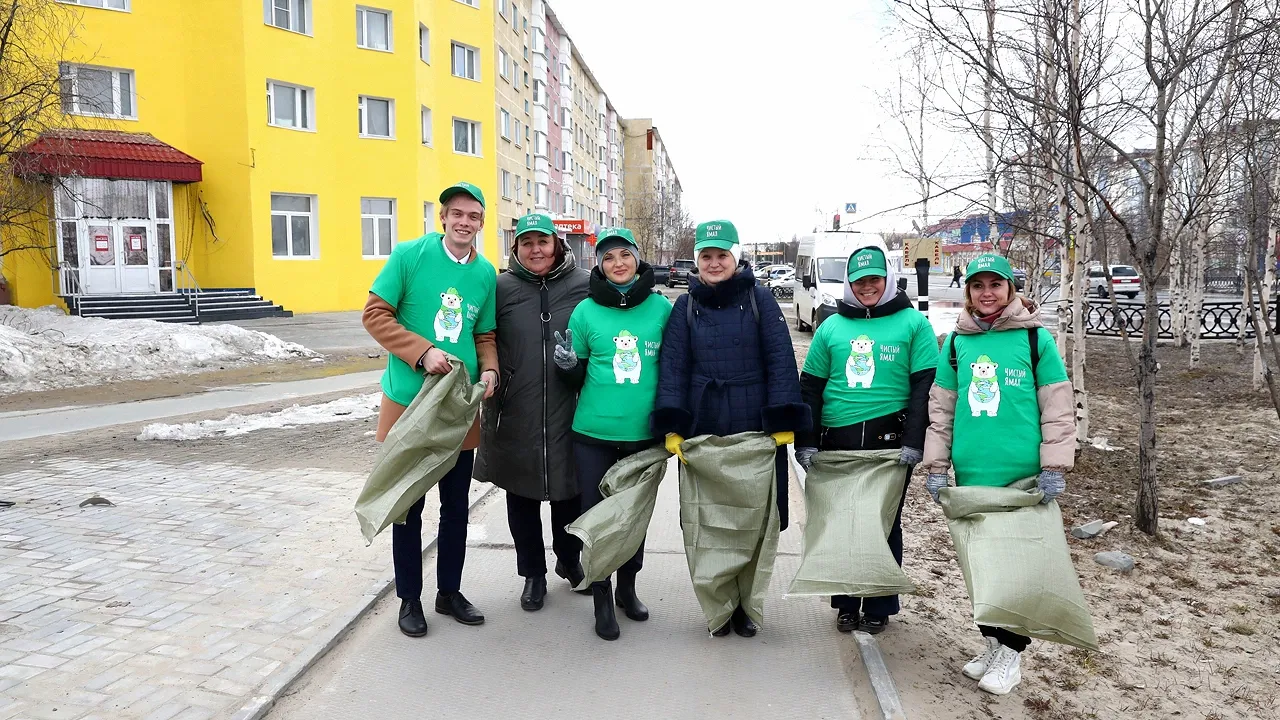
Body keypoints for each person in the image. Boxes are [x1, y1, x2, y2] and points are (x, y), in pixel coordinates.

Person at [922, 253, 1075, 695]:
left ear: (1011, 289)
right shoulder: (955, 344)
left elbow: (1058, 406)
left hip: (1023, 481)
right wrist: (937, 466)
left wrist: (1054, 465)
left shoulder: (1035, 340)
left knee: (1016, 571)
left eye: (996, 284)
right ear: (967, 292)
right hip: (973, 478)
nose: (986, 293)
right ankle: (992, 643)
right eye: (977, 286)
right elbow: (942, 408)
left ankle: (1011, 654)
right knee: (982, 567)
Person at [652, 219, 810, 638]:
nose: (714, 262)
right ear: (698, 261)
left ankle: (747, 605)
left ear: (735, 257)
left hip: (755, 427)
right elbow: (673, 367)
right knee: (711, 523)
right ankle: (719, 606)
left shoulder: (759, 300)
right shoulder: (685, 306)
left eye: (722, 255)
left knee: (757, 522)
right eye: (707, 255)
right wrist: (673, 424)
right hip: (705, 427)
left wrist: (782, 424)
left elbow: (780, 359)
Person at [362, 181, 499, 638]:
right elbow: (375, 315)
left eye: (473, 216)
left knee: (456, 505)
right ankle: (409, 600)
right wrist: (421, 352)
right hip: (407, 403)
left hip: (457, 408)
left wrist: (492, 370)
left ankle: (449, 592)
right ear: (442, 218)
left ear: (481, 223)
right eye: (456, 213)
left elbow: (484, 334)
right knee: (408, 506)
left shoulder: (485, 274)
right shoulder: (409, 255)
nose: (464, 222)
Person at [794, 246, 937, 635]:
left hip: (889, 444)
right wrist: (805, 441)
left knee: (882, 524)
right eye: (859, 281)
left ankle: (878, 603)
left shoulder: (913, 325)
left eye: (875, 279)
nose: (867, 287)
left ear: (887, 279)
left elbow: (925, 386)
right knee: (841, 523)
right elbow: (811, 388)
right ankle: (845, 602)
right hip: (836, 441)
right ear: (849, 284)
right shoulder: (831, 327)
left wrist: (914, 441)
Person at [553, 227, 672, 641]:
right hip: (593, 434)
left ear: (637, 259)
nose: (617, 263)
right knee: (600, 518)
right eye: (608, 258)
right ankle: (601, 595)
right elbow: (574, 375)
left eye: (624, 255)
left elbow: (674, 370)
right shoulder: (586, 312)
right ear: (599, 266)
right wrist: (567, 365)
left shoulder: (661, 309)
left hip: (644, 436)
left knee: (635, 517)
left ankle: (627, 588)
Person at [475, 213, 590, 612]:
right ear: (516, 248)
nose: (535, 249)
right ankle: (533, 574)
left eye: (542, 242)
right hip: (515, 407)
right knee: (521, 494)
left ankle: (569, 559)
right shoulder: (501, 287)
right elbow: (482, 334)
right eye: (527, 243)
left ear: (557, 245)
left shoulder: (585, 284)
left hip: (569, 404)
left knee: (569, 490)